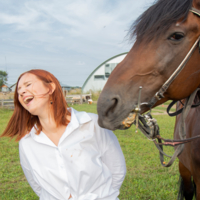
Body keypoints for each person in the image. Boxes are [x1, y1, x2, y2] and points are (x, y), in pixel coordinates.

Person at [1, 69, 126, 200]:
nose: (21, 91)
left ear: (50, 88)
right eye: (18, 89)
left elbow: (117, 171)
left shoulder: (92, 124)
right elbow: (38, 187)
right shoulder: (26, 142)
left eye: (28, 84)